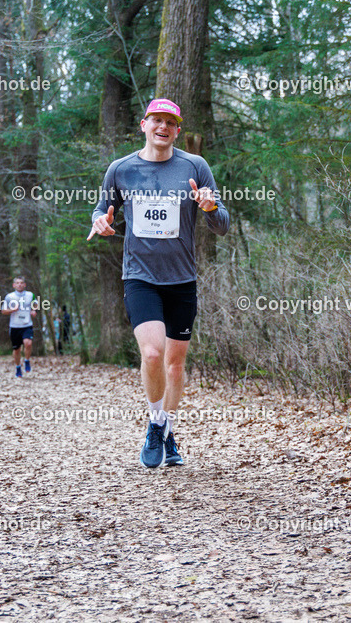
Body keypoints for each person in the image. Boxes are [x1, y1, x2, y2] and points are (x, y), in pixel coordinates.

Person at [89, 98, 229, 468]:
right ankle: (156, 423)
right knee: (152, 354)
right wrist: (99, 223)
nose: (163, 126)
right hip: (140, 276)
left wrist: (211, 207)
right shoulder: (121, 169)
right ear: (143, 124)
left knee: (175, 365)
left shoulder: (194, 166)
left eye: (170, 121)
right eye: (157, 120)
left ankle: (168, 430)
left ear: (177, 130)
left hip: (182, 278)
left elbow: (223, 224)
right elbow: (101, 210)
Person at [1, 276, 37, 377]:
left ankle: (27, 361)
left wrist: (34, 310)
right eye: (17, 283)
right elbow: (3, 311)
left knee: (28, 343)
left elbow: (35, 304)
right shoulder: (9, 297)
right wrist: (12, 310)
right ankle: (17, 367)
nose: (19, 284)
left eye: (21, 283)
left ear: (24, 285)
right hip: (14, 326)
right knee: (17, 350)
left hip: (27, 324)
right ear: (14, 285)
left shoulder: (30, 295)